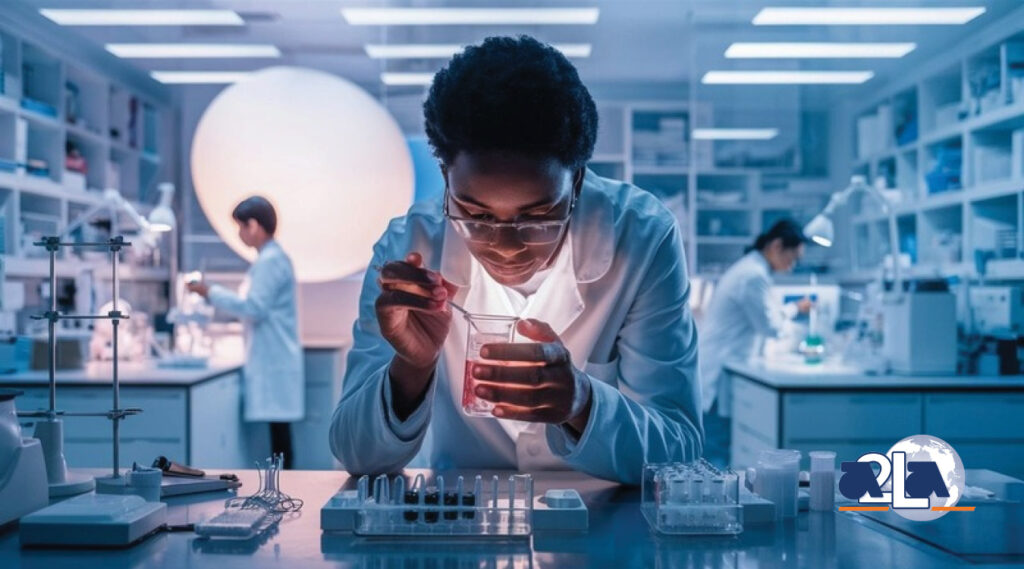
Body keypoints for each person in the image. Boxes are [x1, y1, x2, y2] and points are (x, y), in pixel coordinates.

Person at [329, 36, 703, 485]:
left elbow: (679, 449)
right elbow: (355, 453)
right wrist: (411, 367)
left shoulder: (641, 237)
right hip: (465, 520)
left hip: (598, 516)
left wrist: (582, 403)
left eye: (538, 216)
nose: (506, 246)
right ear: (447, 178)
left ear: (577, 182)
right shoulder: (408, 246)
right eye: (476, 215)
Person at [187, 196, 304, 468]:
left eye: (240, 227)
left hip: (274, 360)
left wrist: (209, 292)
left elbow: (254, 307)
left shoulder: (270, 261)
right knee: (279, 436)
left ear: (254, 226)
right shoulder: (270, 259)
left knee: (280, 439)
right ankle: (280, 494)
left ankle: (282, 497)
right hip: (274, 357)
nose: (240, 234)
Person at [698, 219, 812, 468]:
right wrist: (795, 309)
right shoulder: (752, 276)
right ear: (777, 246)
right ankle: (714, 505)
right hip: (719, 373)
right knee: (716, 451)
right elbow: (770, 326)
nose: (792, 267)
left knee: (718, 448)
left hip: (723, 367)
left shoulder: (751, 270)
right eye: (792, 258)